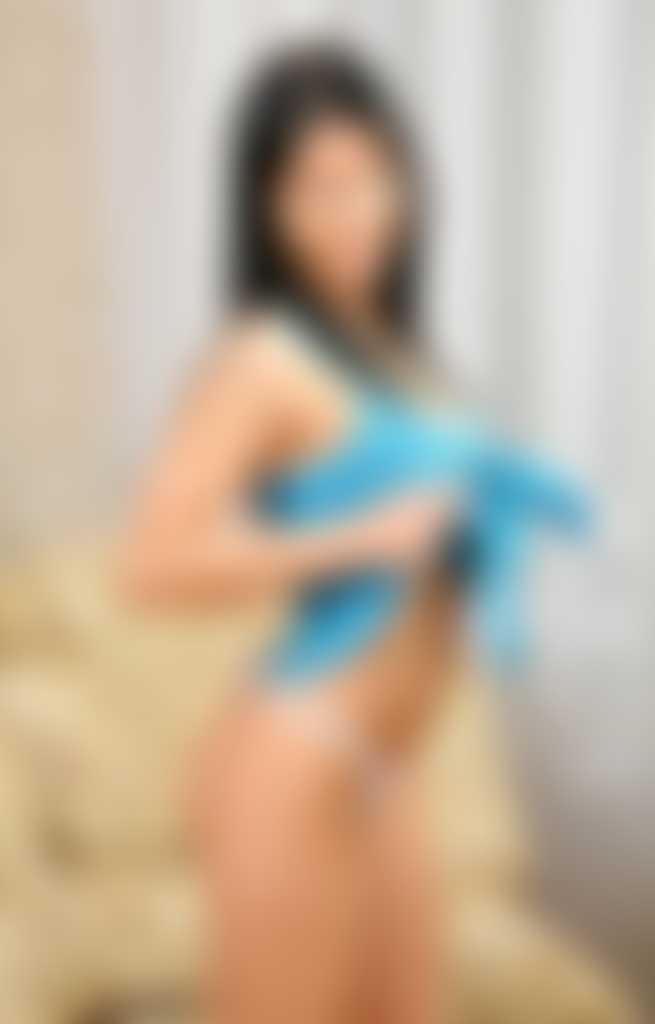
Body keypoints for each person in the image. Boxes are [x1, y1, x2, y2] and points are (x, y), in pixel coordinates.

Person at [119, 43, 488, 1024]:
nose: (352, 212)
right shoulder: (258, 359)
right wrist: (360, 538)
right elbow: (151, 565)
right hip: (294, 756)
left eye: (370, 178)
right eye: (315, 189)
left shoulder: (396, 354)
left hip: (387, 768)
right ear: (266, 208)